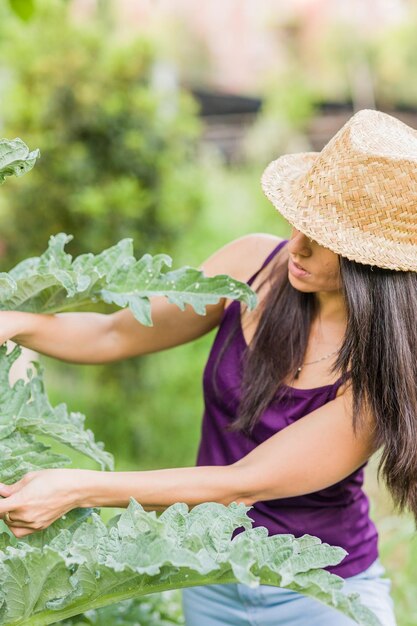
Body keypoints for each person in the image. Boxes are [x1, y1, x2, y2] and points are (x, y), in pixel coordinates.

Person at [0, 108, 414, 626]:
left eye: (327, 238)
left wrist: (76, 488)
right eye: (303, 218)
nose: (299, 243)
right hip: (207, 576)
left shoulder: (382, 372)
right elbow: (114, 332)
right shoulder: (251, 266)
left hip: (319, 596)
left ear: (372, 263)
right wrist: (15, 322)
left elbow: (240, 483)